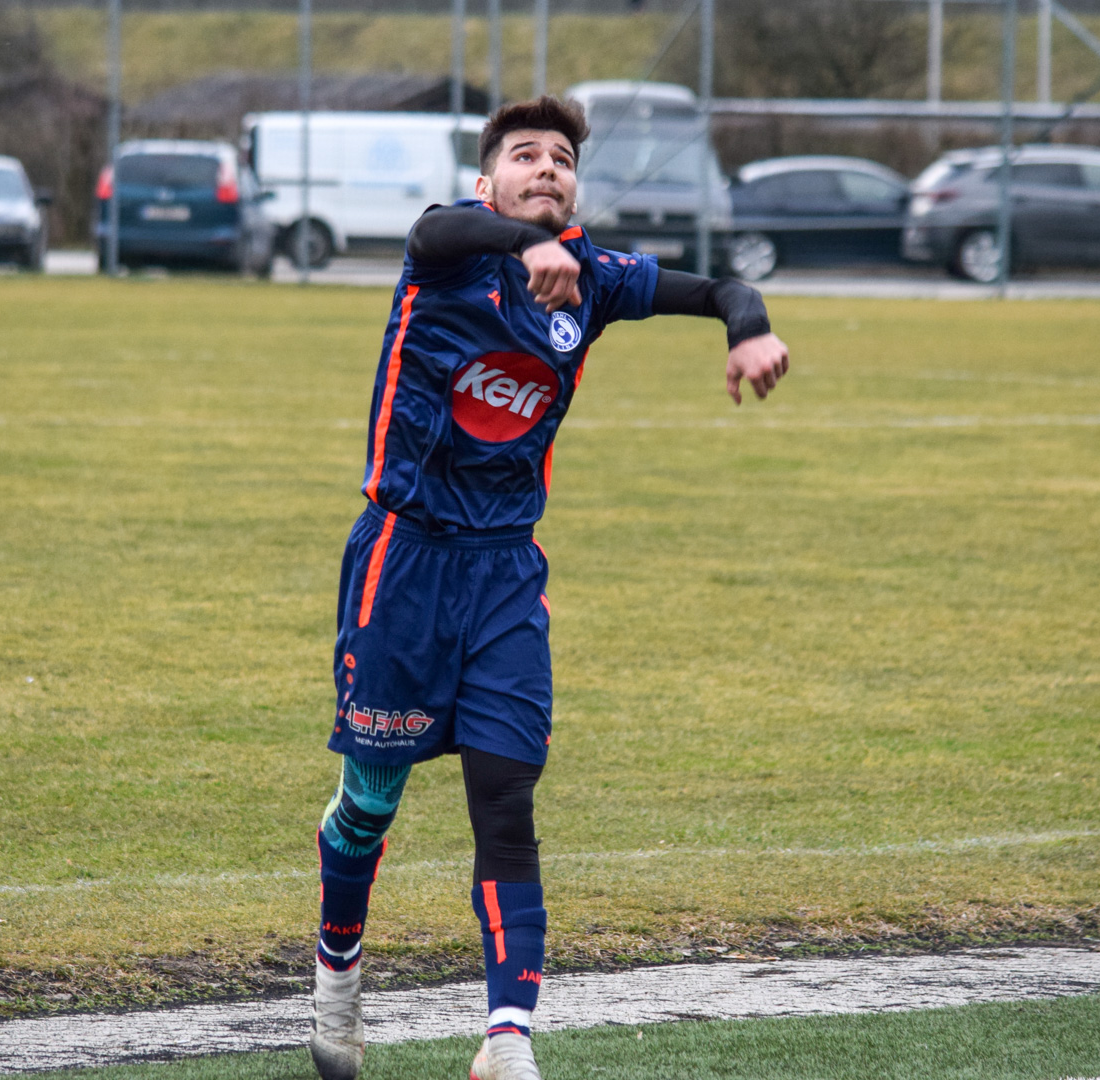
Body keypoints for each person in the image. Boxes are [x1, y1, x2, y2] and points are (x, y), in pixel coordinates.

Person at [307, 96, 789, 1080]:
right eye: (524, 155)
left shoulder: (592, 278)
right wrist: (523, 243)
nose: (547, 169)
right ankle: (339, 974)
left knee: (506, 799)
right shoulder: (449, 254)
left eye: (562, 159)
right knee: (370, 803)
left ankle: (507, 1038)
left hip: (505, 574)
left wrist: (749, 329)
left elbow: (725, 288)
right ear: (487, 181)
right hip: (402, 563)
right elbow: (434, 231)